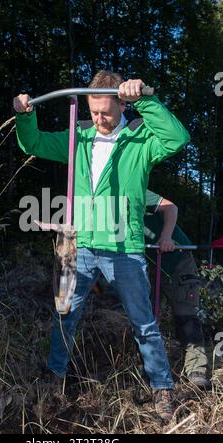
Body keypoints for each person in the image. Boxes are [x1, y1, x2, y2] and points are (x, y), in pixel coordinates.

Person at [13, 70, 190, 422]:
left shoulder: (141, 140)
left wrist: (147, 101)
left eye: (105, 112)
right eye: (93, 112)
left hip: (124, 248)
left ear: (122, 103)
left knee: (144, 324)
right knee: (65, 315)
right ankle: (55, 377)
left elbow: (178, 139)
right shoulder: (78, 138)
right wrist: (24, 114)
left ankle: (162, 389)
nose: (99, 118)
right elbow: (32, 144)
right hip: (80, 245)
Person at [145, 189, 209, 387]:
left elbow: (171, 207)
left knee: (185, 315)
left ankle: (197, 369)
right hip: (149, 263)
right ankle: (150, 367)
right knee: (145, 319)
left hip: (177, 259)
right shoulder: (103, 205)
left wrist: (166, 236)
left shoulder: (133, 188)